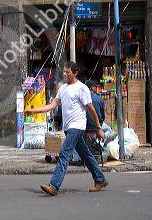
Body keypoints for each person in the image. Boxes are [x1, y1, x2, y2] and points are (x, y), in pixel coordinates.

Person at [24, 61, 108, 196]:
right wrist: (34, 111)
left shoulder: (82, 88)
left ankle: (54, 185)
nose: (64, 74)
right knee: (85, 154)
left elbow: (91, 109)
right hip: (68, 127)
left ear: (75, 73)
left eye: (67, 72)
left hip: (78, 126)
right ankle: (100, 179)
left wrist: (98, 127)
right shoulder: (62, 88)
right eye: (64, 71)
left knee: (64, 153)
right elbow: (52, 105)